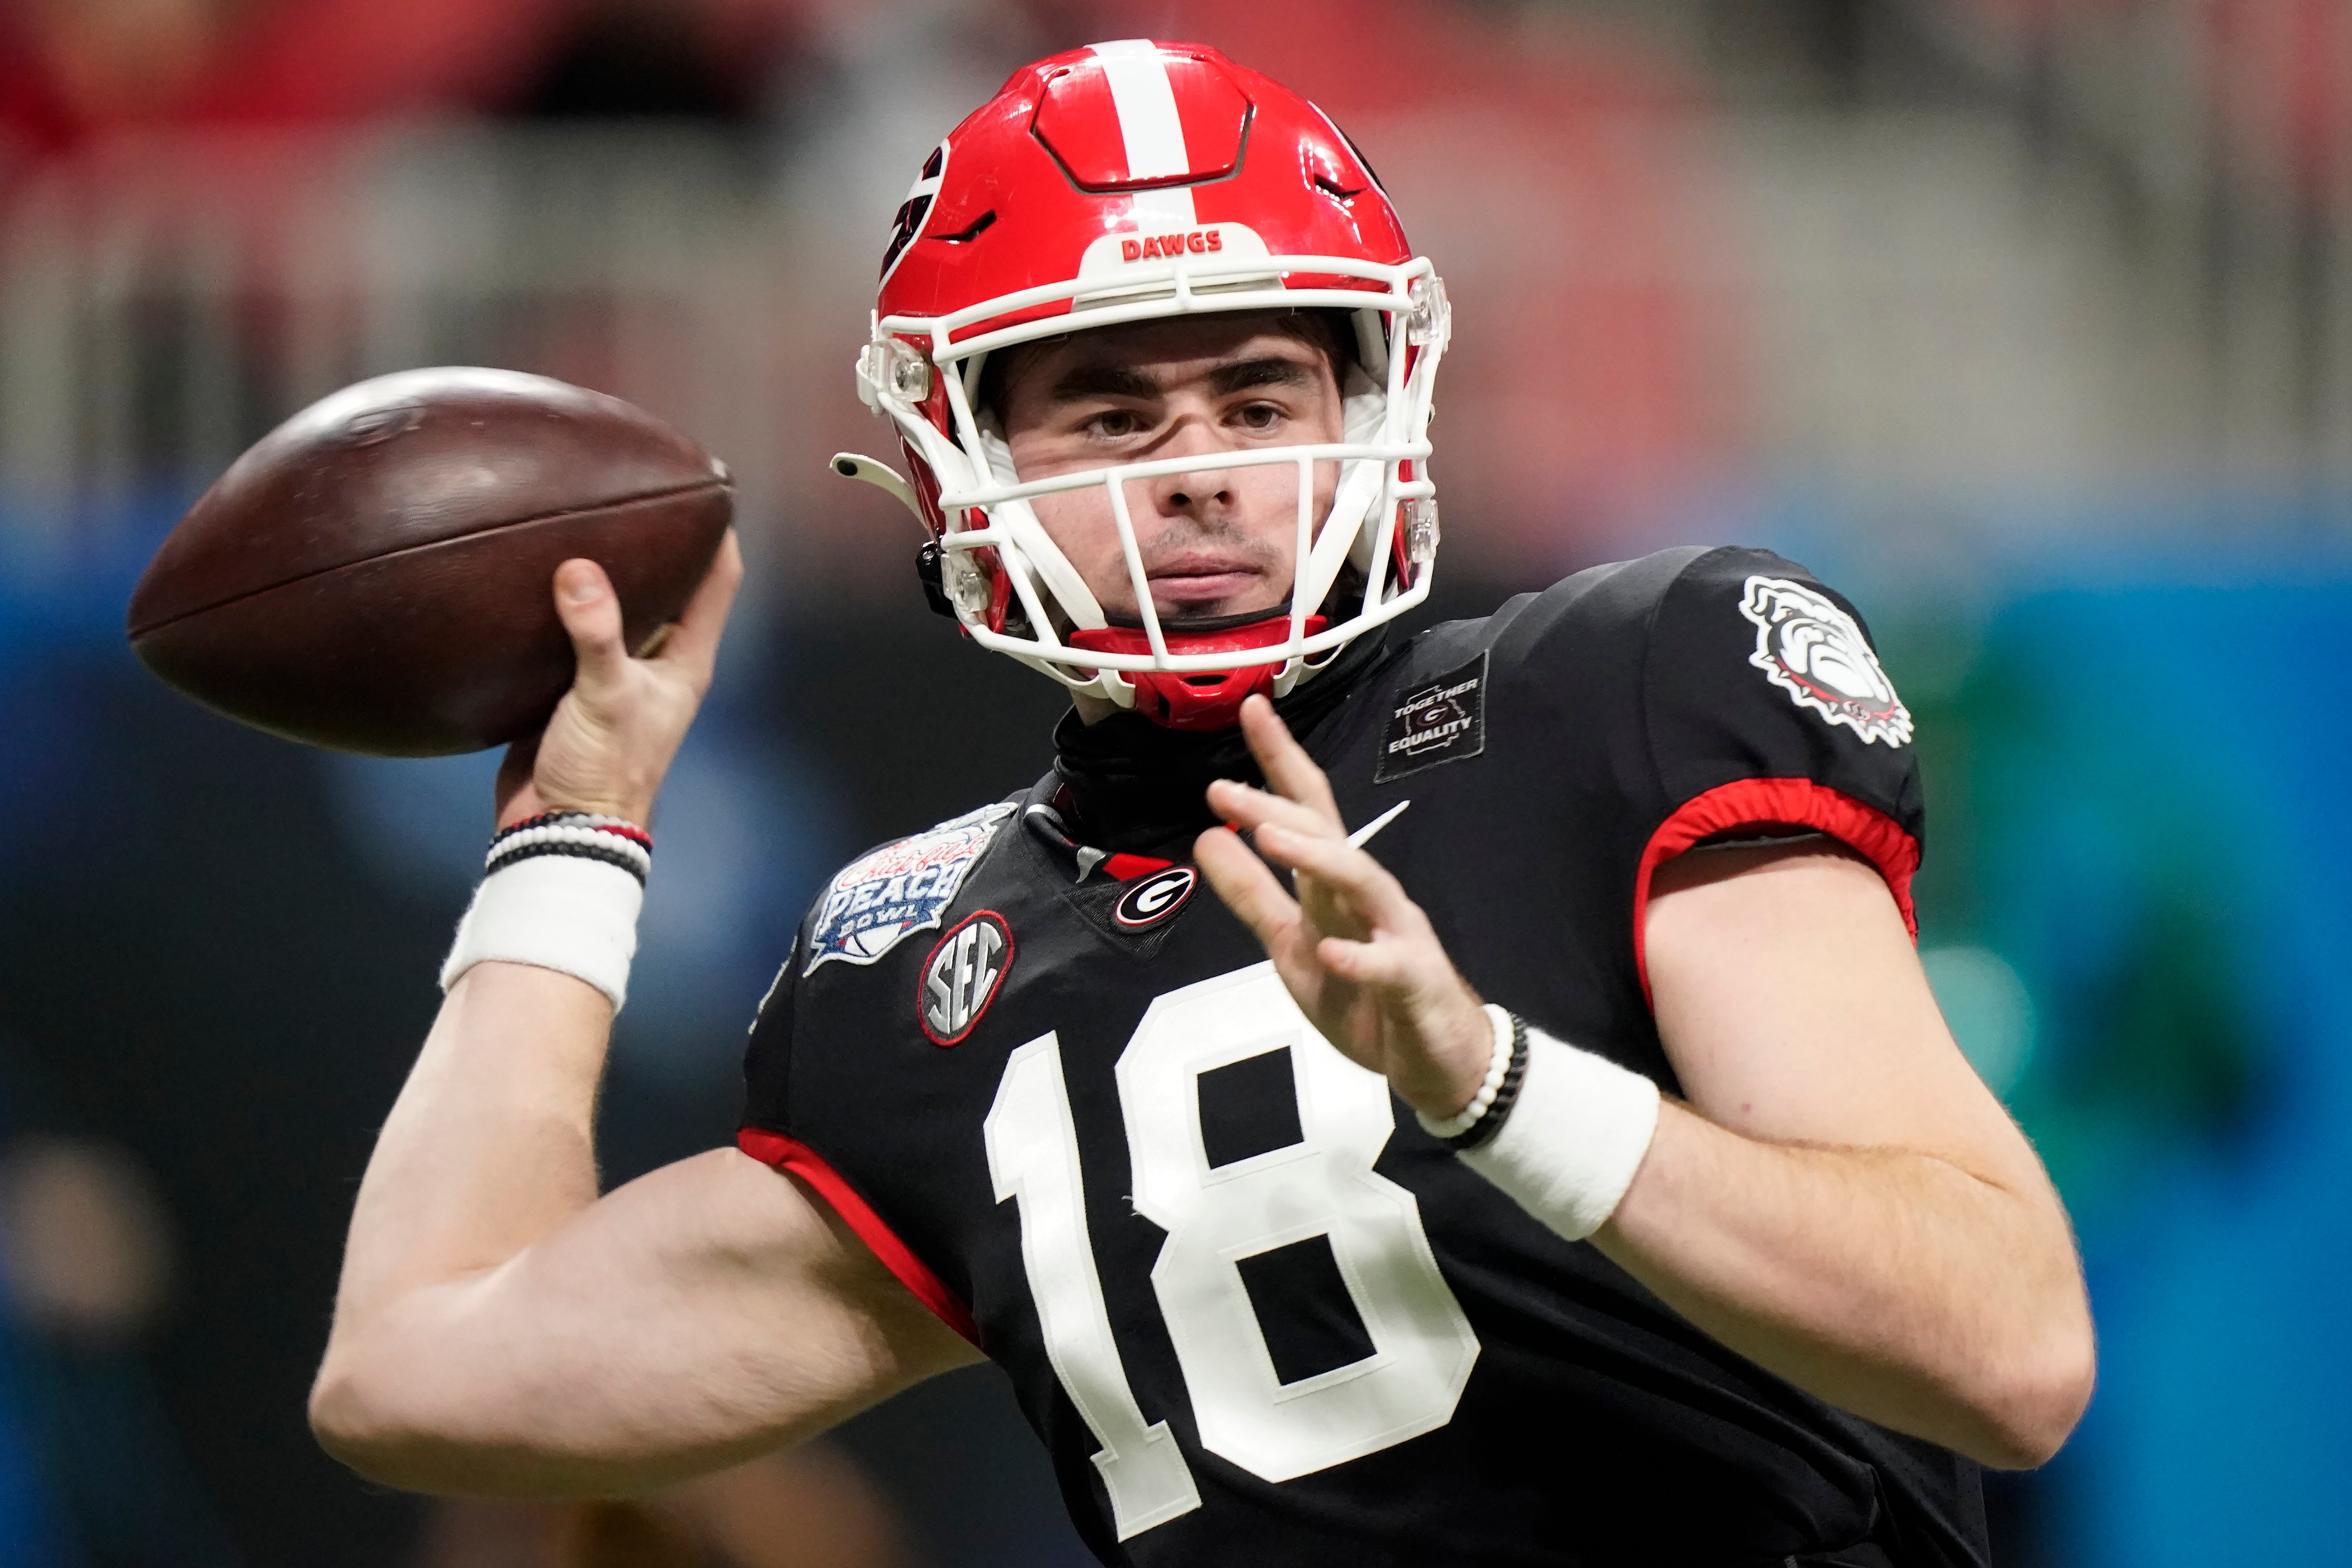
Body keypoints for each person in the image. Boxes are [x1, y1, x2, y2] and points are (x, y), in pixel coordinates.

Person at [310, 40, 2094, 1568]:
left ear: (1374, 401)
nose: (1202, 479)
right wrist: (570, 833)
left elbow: (2006, 1349)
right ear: (959, 461)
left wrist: (1494, 1084)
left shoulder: (1622, 693)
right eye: (1109, 418)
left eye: (1256, 398)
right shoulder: (916, 965)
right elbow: (416, 1370)